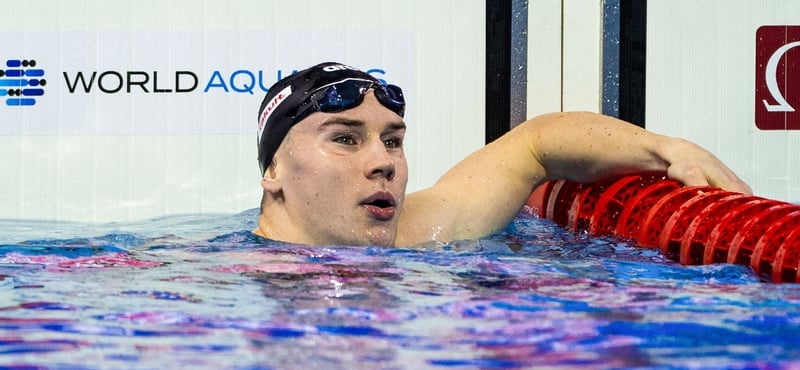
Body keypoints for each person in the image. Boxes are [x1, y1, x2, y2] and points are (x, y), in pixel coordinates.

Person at [253, 62, 751, 247]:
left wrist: (668, 149)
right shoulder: (225, 275)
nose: (383, 162)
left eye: (393, 140)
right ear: (273, 168)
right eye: (345, 139)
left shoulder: (420, 232)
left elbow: (535, 144)